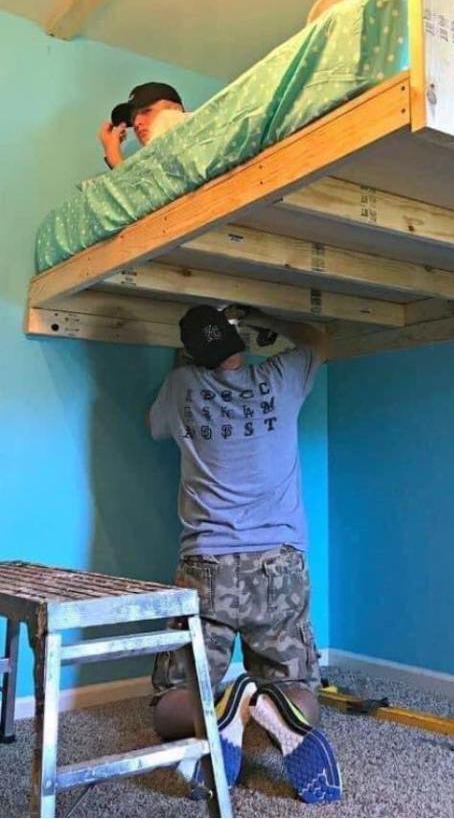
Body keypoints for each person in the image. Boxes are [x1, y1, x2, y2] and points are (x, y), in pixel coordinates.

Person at [147, 303, 341, 804]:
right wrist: (264, 316)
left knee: (169, 700)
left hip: (206, 567)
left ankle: (221, 711)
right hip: (279, 564)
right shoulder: (282, 375)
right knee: (299, 689)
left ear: (192, 355)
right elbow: (319, 339)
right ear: (243, 347)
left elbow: (156, 427)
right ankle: (261, 704)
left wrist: (186, 363)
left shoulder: (180, 388)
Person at [98, 81, 187, 169]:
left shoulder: (199, 141)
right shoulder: (155, 166)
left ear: (176, 110)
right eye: (133, 119)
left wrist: (113, 155)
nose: (136, 123)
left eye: (147, 111)